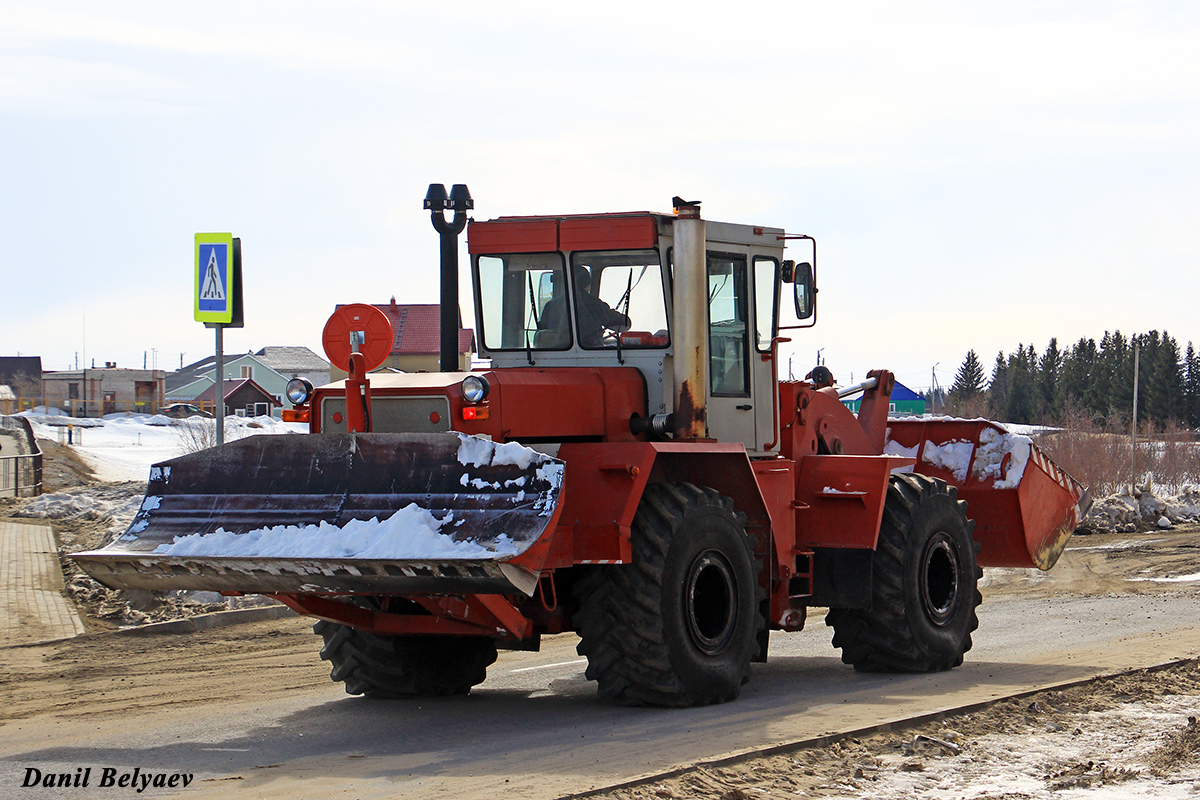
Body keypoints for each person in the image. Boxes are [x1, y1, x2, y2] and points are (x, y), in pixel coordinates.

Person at [536, 266, 630, 347]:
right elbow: (624, 324)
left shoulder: (550, 305)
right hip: (590, 353)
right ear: (587, 283)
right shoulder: (593, 303)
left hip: (556, 357)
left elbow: (541, 333)